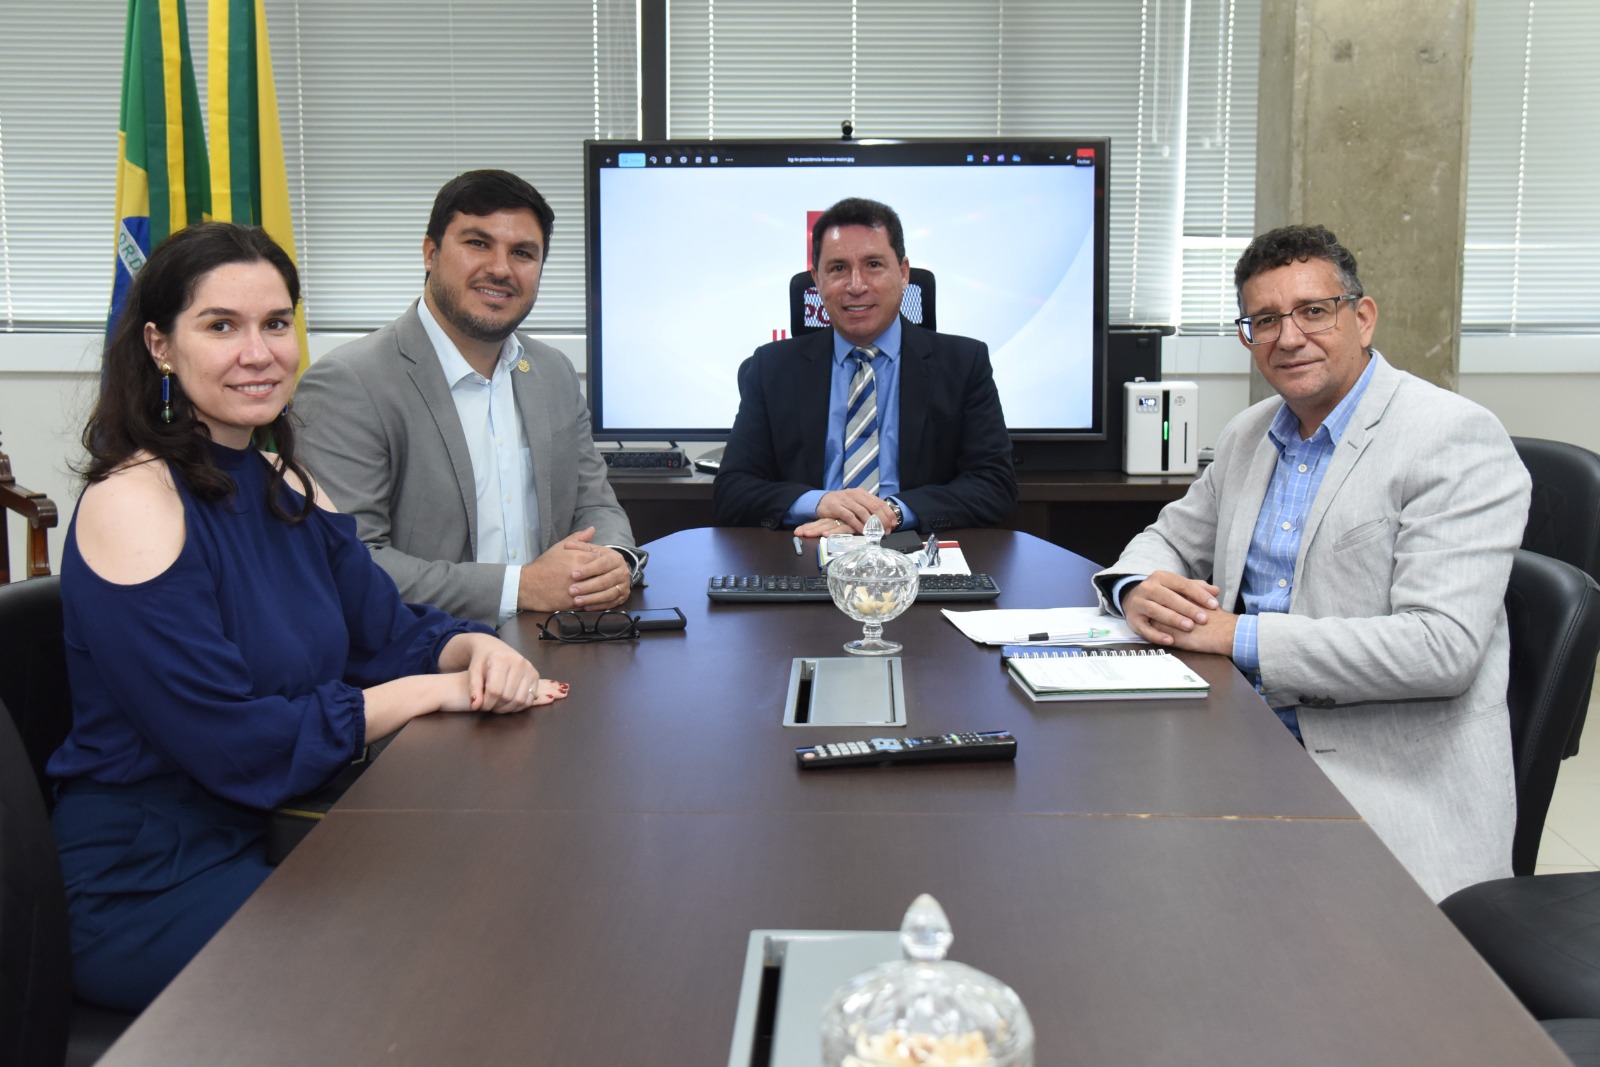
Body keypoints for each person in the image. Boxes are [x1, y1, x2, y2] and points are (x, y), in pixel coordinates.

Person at [48, 222, 568, 1012]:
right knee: (427, 970)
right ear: (159, 344)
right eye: (221, 326)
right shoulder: (134, 500)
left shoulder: (284, 480)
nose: (258, 352)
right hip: (148, 877)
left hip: (282, 827)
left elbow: (388, 636)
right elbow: (232, 741)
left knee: (508, 898)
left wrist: (469, 648)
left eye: (276, 323)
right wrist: (432, 692)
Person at [1092, 224, 1531, 902]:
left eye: (1312, 311)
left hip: (1379, 776)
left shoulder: (1452, 437)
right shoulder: (1251, 432)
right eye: (1264, 320)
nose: (1287, 337)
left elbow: (1441, 648)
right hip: (1236, 734)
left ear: (1362, 316)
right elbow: (1167, 537)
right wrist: (1136, 587)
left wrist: (1235, 634)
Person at [293, 170, 642, 625]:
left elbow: (594, 504)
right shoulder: (348, 383)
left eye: (522, 253)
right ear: (430, 253)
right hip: (423, 661)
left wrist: (616, 559)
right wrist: (523, 587)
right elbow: (350, 561)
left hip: (556, 641)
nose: (500, 268)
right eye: (478, 243)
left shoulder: (552, 371)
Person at [712, 197, 1017, 536]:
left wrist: (893, 513)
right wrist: (817, 503)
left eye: (873, 264)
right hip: (808, 550)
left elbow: (994, 486)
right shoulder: (771, 368)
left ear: (903, 273)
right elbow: (732, 491)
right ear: (817, 280)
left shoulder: (963, 363)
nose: (856, 286)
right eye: (838, 268)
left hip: (912, 553)